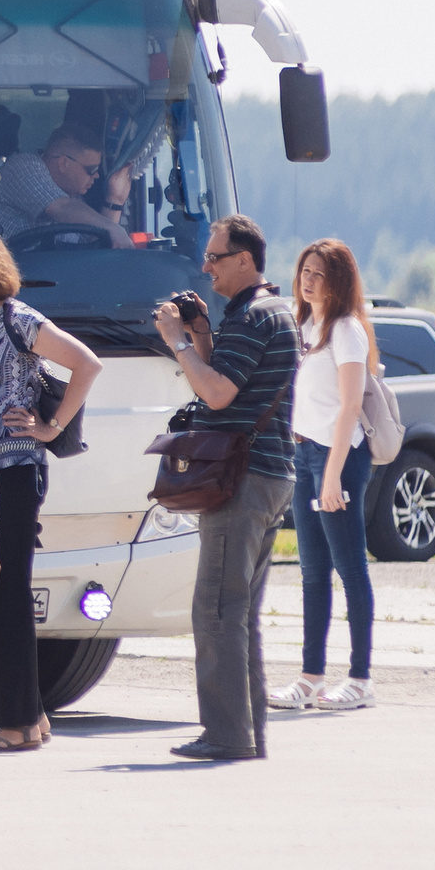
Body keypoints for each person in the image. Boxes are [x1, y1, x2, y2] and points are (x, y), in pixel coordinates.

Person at [0, 224, 103, 752]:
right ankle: (31, 715)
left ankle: (18, 724)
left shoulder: (19, 317)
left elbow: (86, 364)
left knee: (4, 593)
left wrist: (51, 429)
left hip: (14, 468)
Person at [153, 212, 300, 762]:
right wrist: (205, 336)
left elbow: (216, 396)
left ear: (245, 260)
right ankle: (247, 732)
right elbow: (236, 385)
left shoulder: (252, 318)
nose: (206, 266)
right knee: (239, 612)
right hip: (272, 473)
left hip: (241, 479)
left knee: (215, 609)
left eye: (215, 257)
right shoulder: (274, 312)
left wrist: (177, 343)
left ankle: (225, 735)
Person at [269, 238, 378, 713]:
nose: (308, 280)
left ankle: (360, 678)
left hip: (339, 459)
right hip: (304, 456)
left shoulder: (346, 330)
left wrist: (333, 475)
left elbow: (350, 404)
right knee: (313, 573)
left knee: (350, 568)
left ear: (338, 279)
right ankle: (311, 676)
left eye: (318, 273)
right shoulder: (306, 326)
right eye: (304, 272)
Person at [0, 124, 133, 249]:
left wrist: (115, 200)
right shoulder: (24, 166)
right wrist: (113, 228)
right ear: (63, 163)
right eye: (91, 170)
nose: (96, 176)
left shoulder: (75, 200)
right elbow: (62, 208)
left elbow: (95, 246)